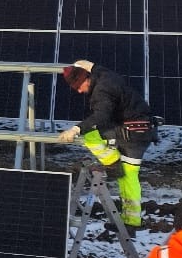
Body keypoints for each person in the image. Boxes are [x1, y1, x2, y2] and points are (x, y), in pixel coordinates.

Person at [57, 57, 155, 229]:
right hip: (142, 132)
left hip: (130, 133)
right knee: (128, 176)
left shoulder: (101, 91)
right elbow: (102, 71)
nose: (79, 92)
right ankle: (131, 221)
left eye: (79, 87)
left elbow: (101, 118)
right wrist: (92, 66)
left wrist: (76, 129)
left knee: (89, 135)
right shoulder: (106, 77)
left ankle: (111, 162)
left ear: (86, 79)